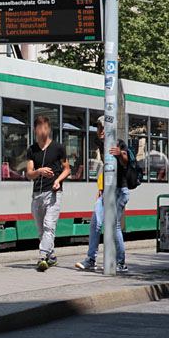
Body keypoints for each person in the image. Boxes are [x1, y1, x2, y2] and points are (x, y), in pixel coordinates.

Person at [76, 117, 130, 272]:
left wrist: (121, 154)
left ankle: (121, 263)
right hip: (107, 191)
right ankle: (91, 259)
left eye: (102, 127)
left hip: (120, 190)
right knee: (95, 222)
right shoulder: (100, 143)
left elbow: (127, 162)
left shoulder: (119, 143)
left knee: (114, 225)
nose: (100, 130)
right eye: (98, 127)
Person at [27, 115, 70, 271]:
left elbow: (67, 169)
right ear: (35, 130)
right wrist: (39, 171)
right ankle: (51, 256)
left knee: (48, 226)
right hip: (37, 195)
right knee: (41, 230)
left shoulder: (58, 148)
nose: (42, 131)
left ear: (49, 130)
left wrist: (58, 180)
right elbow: (29, 173)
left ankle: (43, 257)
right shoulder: (32, 150)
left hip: (53, 193)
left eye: (45, 128)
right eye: (39, 128)